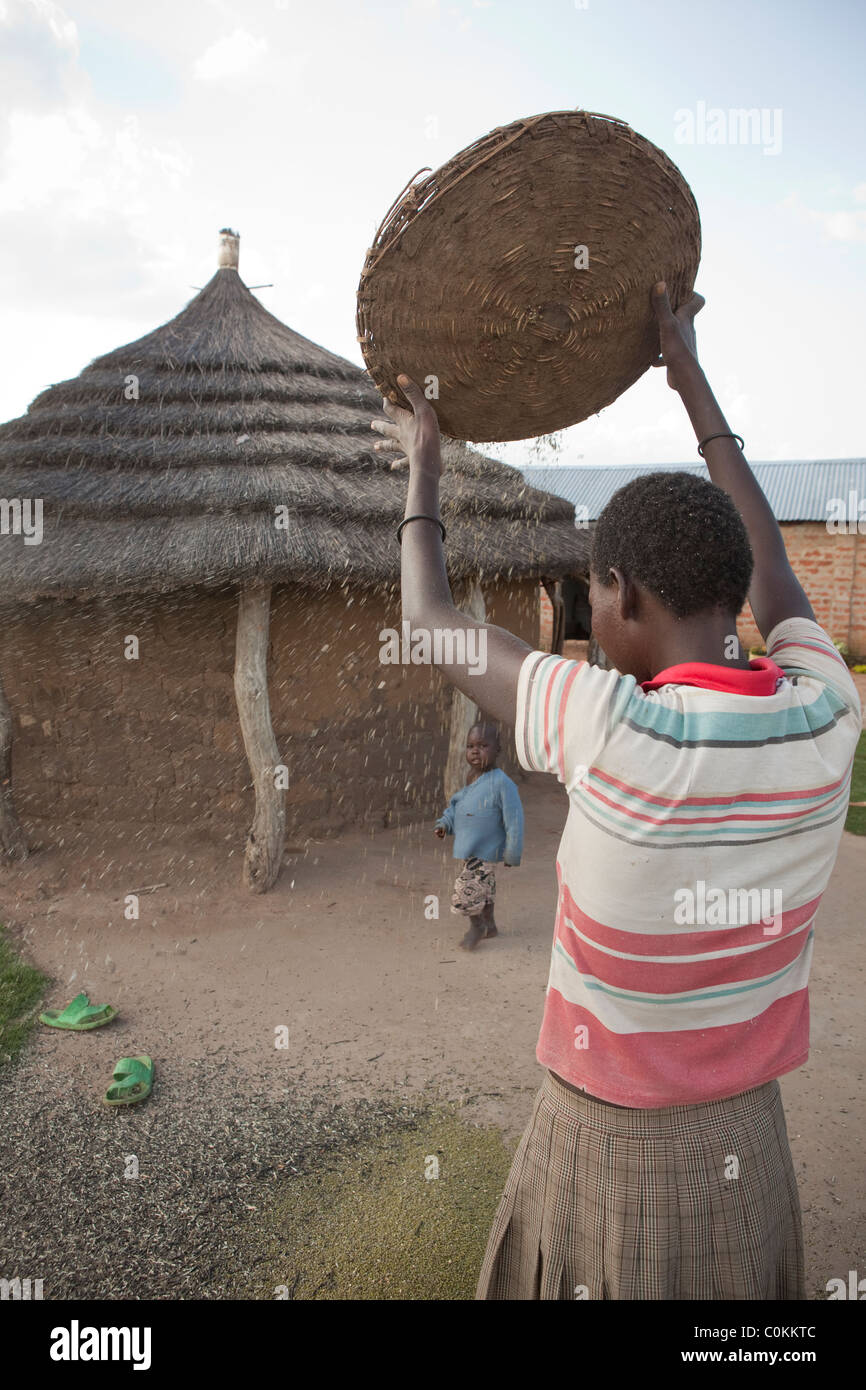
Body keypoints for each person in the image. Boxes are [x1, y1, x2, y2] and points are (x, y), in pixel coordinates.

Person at [371, 282, 861, 1300]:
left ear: (621, 597)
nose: (588, 605)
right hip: (748, 1140)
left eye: (591, 587)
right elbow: (769, 562)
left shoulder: (607, 725)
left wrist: (423, 461)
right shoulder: (825, 713)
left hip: (602, 1137)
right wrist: (691, 383)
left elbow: (426, 614)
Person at [434, 722, 524, 950]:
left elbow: (514, 819)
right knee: (485, 888)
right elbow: (458, 805)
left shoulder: (503, 783)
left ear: (498, 750)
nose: (475, 751)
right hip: (471, 847)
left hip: (485, 849)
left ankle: (477, 926)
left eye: (483, 745)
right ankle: (490, 925)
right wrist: (445, 823)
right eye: (470, 745)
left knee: (467, 889)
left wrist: (512, 853)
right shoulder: (471, 778)